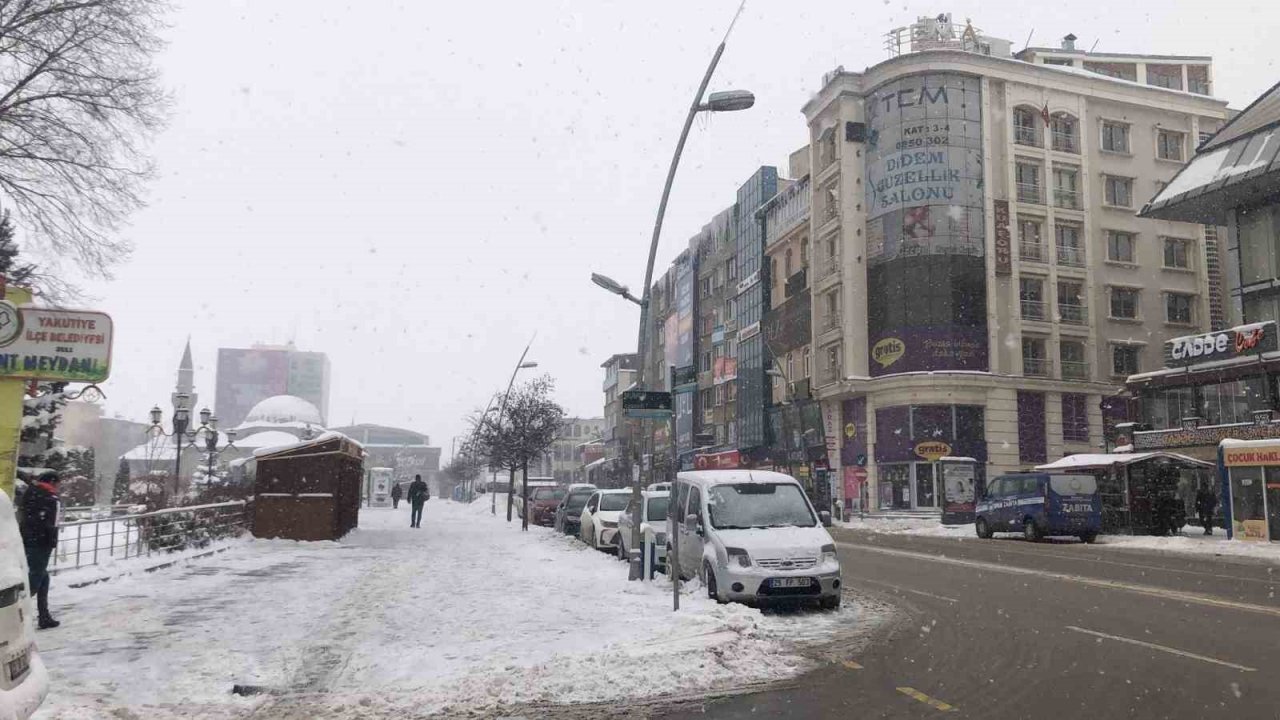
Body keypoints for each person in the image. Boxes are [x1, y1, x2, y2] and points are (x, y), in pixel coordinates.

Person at [19, 470, 61, 629]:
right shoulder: (51, 499)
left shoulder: (31, 493)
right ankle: (11, 615)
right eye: (58, 484)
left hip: (26, 539)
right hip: (42, 543)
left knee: (43, 577)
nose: (58, 487)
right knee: (34, 580)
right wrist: (52, 542)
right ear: (53, 482)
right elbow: (53, 524)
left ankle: (44, 615)